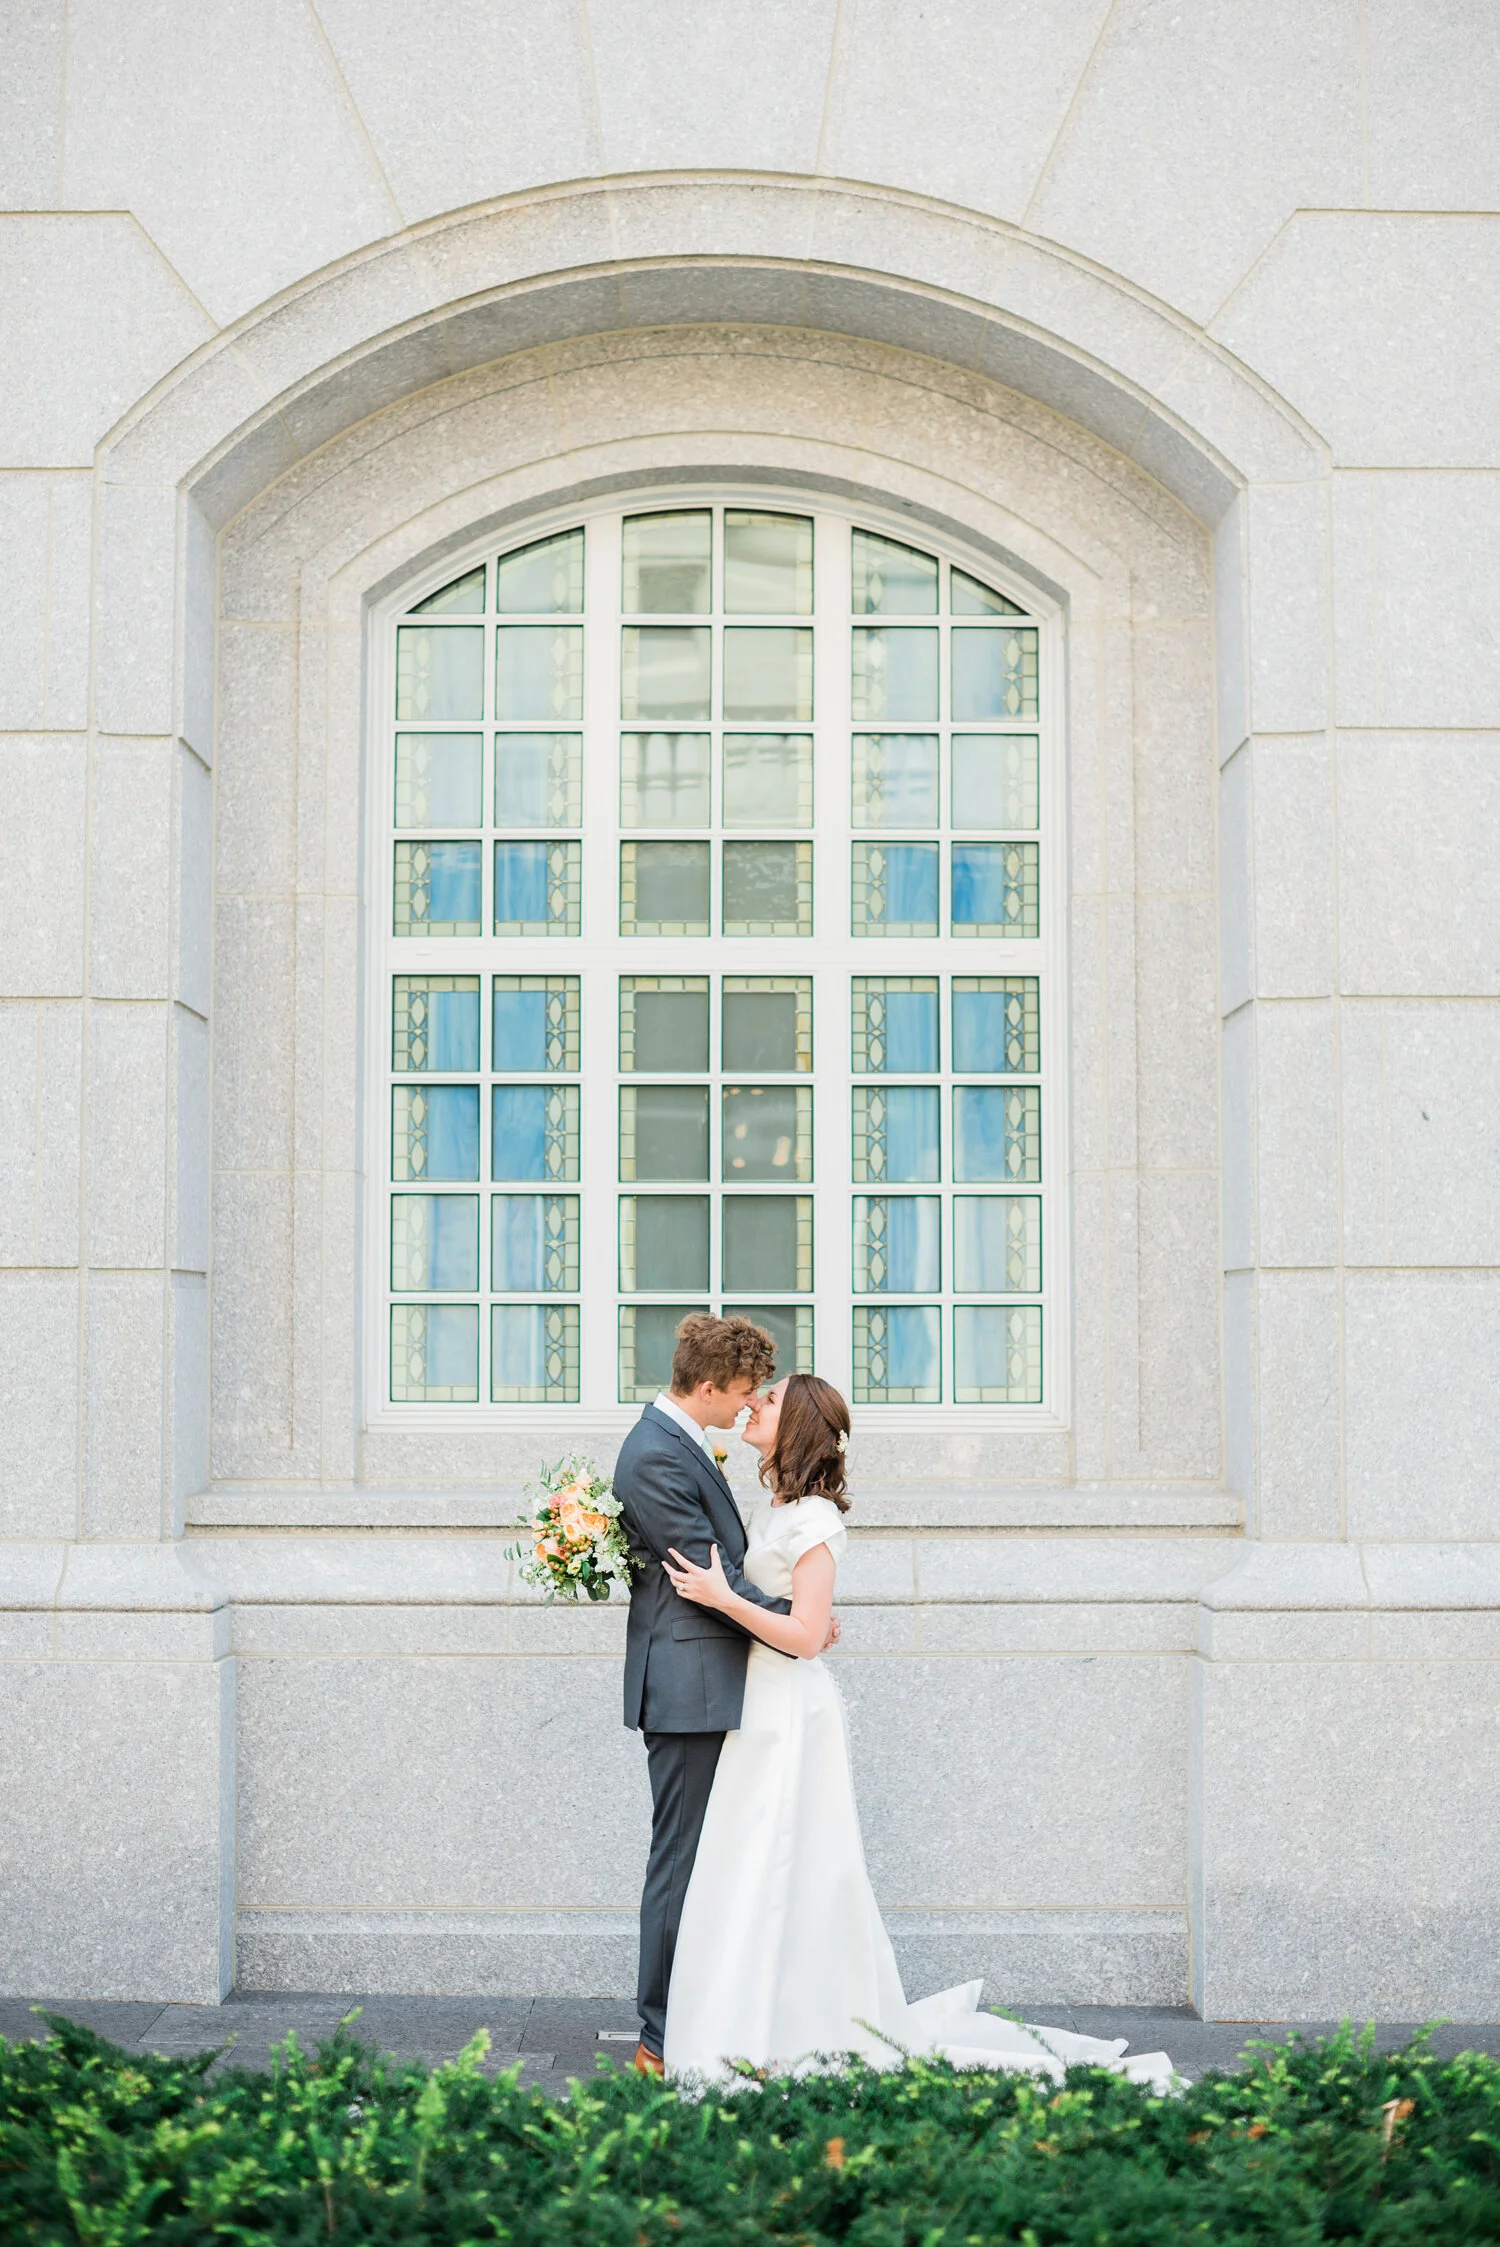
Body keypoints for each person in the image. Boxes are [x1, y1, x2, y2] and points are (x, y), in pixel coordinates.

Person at [659, 1372, 1176, 2089]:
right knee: (756, 1861)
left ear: (799, 1422)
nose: (753, 1403)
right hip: (763, 1703)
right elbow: (796, 1615)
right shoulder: (781, 1505)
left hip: (790, 1713)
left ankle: (791, 2029)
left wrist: (721, 1597)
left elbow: (806, 1636)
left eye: (770, 1399)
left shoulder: (815, 1519)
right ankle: (758, 2019)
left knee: (784, 1861)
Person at [613, 1313, 837, 2077]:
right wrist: (797, 1623)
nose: (748, 1406)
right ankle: (659, 2035)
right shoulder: (653, 1454)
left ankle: (710, 2017)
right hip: (690, 1685)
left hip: (722, 1680)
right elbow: (710, 1579)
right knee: (679, 1862)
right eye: (743, 1394)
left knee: (720, 1862)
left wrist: (799, 1622)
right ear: (706, 1387)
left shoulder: (678, 1441)